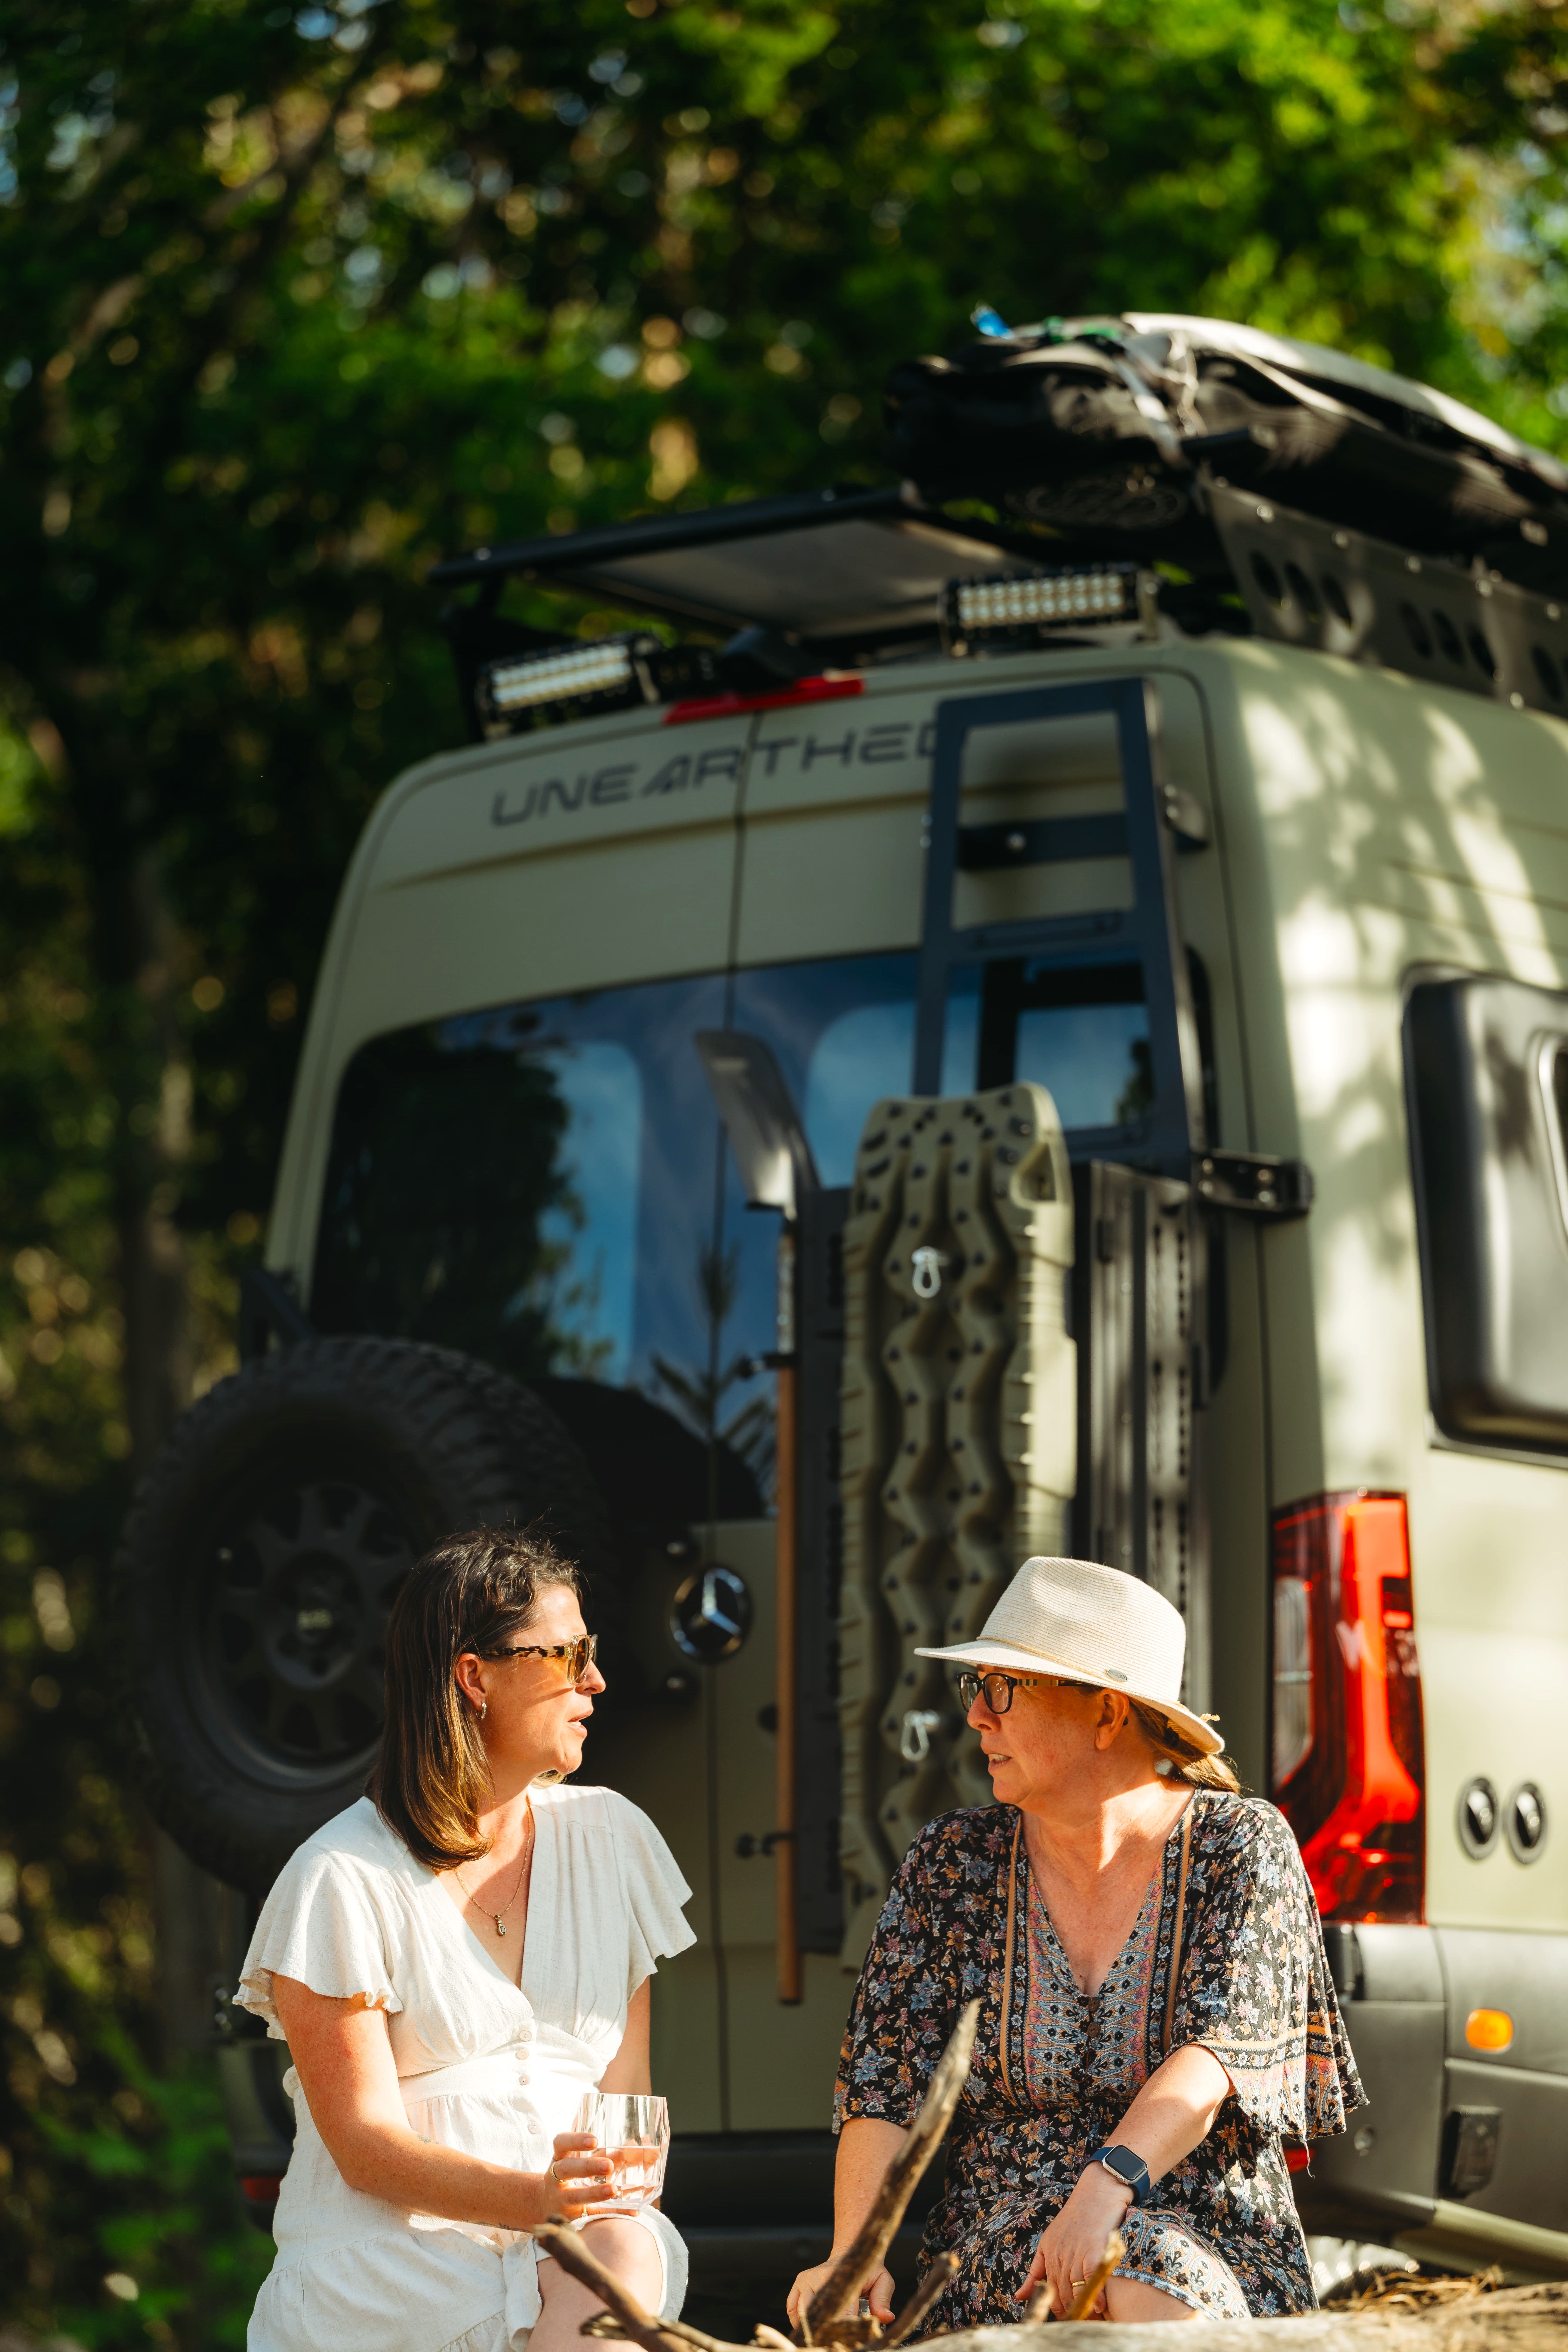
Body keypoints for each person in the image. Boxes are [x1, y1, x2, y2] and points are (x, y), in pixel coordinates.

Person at [788, 1555, 1363, 2331]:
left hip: (1214, 2235)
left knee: (1144, 2263)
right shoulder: (953, 1861)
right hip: (999, 2246)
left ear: (1108, 1714)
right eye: (977, 1686)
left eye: (1005, 1688)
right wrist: (854, 2252)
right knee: (1120, 2265)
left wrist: (1106, 2189)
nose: (977, 1715)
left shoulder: (1241, 1844)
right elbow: (884, 2082)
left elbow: (1217, 2054)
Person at [237, 1526, 695, 2352]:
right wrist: (536, 2201)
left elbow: (627, 2098)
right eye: (567, 1655)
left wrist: (600, 2215)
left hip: (574, 2265)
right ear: (474, 1676)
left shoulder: (614, 1841)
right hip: (391, 2275)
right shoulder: (339, 1877)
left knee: (626, 2248)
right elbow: (364, 2147)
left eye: (590, 1652)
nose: (594, 1679)